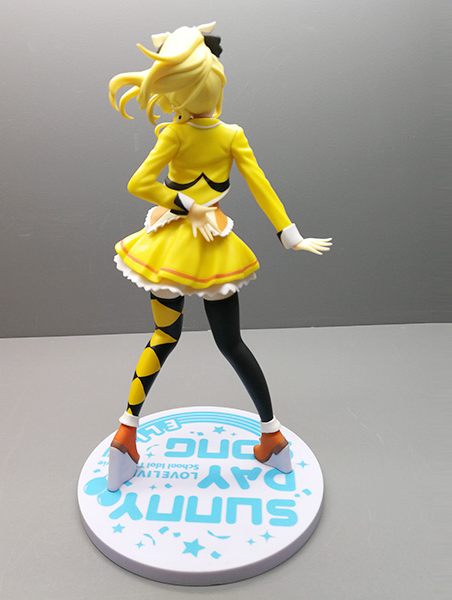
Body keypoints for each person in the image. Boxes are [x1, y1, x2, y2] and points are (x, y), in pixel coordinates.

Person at [106, 22, 331, 491]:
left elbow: (144, 184)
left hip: (175, 249)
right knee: (230, 343)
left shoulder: (183, 134)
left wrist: (289, 234)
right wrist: (285, 234)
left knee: (165, 336)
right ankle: (273, 438)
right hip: (203, 248)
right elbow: (257, 184)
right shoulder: (223, 134)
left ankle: (126, 436)